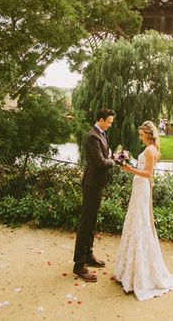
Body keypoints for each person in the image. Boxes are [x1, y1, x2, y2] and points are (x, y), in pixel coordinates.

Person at [113, 120, 173, 300]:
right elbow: (147, 171)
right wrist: (129, 159)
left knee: (139, 223)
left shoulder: (149, 150)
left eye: (141, 134)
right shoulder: (151, 149)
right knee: (137, 221)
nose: (140, 137)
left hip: (141, 188)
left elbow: (147, 173)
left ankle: (137, 275)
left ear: (148, 134)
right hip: (140, 188)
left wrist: (129, 168)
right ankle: (130, 271)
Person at [73, 108, 116, 282]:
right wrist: (113, 160)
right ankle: (78, 265)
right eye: (109, 122)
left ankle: (88, 255)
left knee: (92, 222)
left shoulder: (102, 134)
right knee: (85, 223)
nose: (110, 125)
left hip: (98, 184)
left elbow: (105, 155)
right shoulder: (92, 136)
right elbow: (101, 162)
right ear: (100, 119)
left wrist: (110, 156)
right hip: (91, 185)